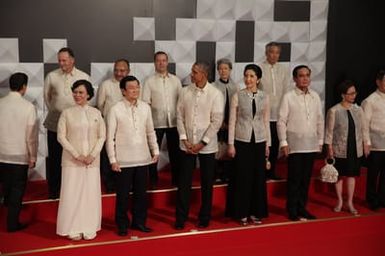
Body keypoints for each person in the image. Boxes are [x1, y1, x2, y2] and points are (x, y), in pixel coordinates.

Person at [106, 75, 159, 236]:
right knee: (122, 195)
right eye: (131, 88)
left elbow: (150, 131)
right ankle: (122, 224)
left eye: (137, 87)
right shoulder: (115, 109)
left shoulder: (145, 107)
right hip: (123, 161)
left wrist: (155, 150)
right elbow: (110, 137)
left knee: (141, 195)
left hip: (143, 158)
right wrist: (112, 160)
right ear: (123, 91)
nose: (135, 90)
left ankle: (139, 222)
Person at [175, 62, 224, 230]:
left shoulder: (215, 94)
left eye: (195, 72)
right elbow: (179, 116)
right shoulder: (185, 91)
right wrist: (184, 139)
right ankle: (181, 217)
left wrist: (202, 143)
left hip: (207, 147)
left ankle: (205, 216)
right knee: (183, 183)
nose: (191, 74)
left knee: (207, 183)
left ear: (204, 74)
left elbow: (216, 121)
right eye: (192, 71)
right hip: (186, 146)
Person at [56, 80, 105, 240]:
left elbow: (102, 136)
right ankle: (72, 227)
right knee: (72, 193)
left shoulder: (96, 113)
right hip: (72, 161)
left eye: (81, 92)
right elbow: (61, 137)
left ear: (89, 95)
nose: (77, 95)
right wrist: (77, 155)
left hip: (92, 161)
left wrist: (92, 155)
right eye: (75, 92)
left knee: (90, 193)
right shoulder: (66, 113)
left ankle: (89, 226)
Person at [277, 65, 324, 221]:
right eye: (301, 75)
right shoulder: (288, 96)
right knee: (294, 179)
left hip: (311, 144)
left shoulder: (315, 96)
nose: (305, 78)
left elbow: (319, 120)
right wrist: (283, 142)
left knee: (305, 179)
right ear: (295, 79)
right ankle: (292, 210)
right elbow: (281, 121)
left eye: (307, 75)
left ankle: (302, 208)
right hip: (294, 145)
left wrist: (320, 141)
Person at [44, 47, 90, 199]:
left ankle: (73, 190)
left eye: (64, 60)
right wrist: (59, 112)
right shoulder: (51, 76)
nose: (61, 63)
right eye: (59, 60)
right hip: (55, 124)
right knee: (55, 158)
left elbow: (87, 99)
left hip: (76, 126)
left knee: (73, 157)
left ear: (72, 60)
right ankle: (54, 190)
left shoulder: (83, 76)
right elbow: (47, 98)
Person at [227, 64, 270, 225]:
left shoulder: (265, 96)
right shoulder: (237, 96)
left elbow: (266, 121)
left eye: (252, 76)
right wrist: (231, 144)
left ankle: (256, 212)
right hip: (242, 140)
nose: (248, 79)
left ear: (258, 79)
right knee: (243, 177)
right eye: (246, 76)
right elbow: (232, 121)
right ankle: (241, 212)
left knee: (258, 177)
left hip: (259, 140)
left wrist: (268, 144)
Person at [0, 73, 38, 232]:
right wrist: (33, 156)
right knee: (17, 190)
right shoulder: (28, 107)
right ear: (24, 87)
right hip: (18, 155)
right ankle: (12, 224)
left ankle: (6, 204)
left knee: (5, 187)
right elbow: (31, 137)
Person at [325, 80, 369, 215]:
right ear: (343, 95)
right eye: (350, 93)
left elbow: (364, 129)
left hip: (355, 148)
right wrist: (329, 149)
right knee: (339, 176)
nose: (353, 96)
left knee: (351, 175)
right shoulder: (334, 110)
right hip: (339, 148)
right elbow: (329, 132)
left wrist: (366, 144)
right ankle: (339, 200)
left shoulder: (358, 109)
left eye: (354, 93)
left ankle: (349, 201)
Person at [142, 51, 182, 188]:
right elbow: (145, 103)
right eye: (158, 60)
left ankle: (176, 180)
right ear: (154, 63)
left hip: (175, 123)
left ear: (167, 62)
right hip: (155, 123)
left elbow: (181, 102)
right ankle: (153, 180)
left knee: (175, 153)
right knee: (153, 153)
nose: (161, 63)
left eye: (164, 60)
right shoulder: (149, 81)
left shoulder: (176, 80)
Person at [96, 59, 130, 192]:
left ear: (128, 71)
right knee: (107, 156)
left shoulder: (132, 84)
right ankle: (109, 185)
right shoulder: (106, 85)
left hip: (127, 129)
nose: (119, 73)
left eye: (122, 70)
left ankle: (124, 183)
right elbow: (100, 105)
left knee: (124, 156)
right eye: (116, 70)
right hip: (109, 127)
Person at [259, 42, 290, 180]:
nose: (274, 55)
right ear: (266, 53)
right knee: (264, 145)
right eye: (272, 52)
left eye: (277, 52)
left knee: (276, 144)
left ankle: (271, 172)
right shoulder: (259, 68)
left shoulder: (283, 69)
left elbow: (286, 91)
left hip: (278, 115)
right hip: (263, 115)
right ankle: (261, 173)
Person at [212, 58, 239, 184]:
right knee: (217, 147)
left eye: (226, 68)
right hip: (218, 123)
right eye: (221, 68)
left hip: (232, 123)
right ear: (218, 70)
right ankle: (216, 173)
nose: (223, 71)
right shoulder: (213, 86)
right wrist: (219, 121)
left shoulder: (236, 87)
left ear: (230, 70)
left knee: (229, 146)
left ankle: (227, 173)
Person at [362, 70, 385, 210]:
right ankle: (371, 199)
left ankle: (382, 198)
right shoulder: (370, 100)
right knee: (373, 174)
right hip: (375, 144)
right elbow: (364, 124)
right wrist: (367, 142)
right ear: (378, 82)